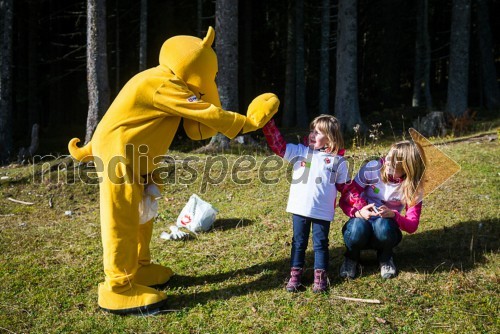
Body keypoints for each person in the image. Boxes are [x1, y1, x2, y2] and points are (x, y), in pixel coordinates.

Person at [67, 27, 279, 315]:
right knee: (122, 218)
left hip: (139, 158)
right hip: (121, 156)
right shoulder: (161, 84)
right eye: (211, 75)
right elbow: (206, 114)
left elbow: (197, 129)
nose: (211, 81)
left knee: (143, 213)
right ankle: (116, 288)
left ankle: (139, 268)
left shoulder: (168, 84)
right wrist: (247, 123)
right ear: (195, 66)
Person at [262, 115, 349, 293]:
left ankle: (320, 276)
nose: (312, 134)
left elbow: (346, 187)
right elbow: (278, 146)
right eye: (312, 130)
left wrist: (357, 205)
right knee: (298, 242)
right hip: (299, 208)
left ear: (330, 138)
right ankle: (295, 275)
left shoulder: (338, 161)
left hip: (323, 212)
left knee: (321, 243)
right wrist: (267, 123)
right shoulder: (300, 152)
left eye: (317, 132)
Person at [338, 140, 426, 279]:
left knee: (383, 225)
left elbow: (412, 225)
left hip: (385, 228)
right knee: (357, 228)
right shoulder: (372, 168)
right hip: (362, 221)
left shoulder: (413, 187)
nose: (386, 162)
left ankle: (385, 258)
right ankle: (351, 258)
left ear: (407, 168)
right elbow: (346, 198)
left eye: (393, 163)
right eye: (388, 157)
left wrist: (394, 215)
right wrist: (358, 212)